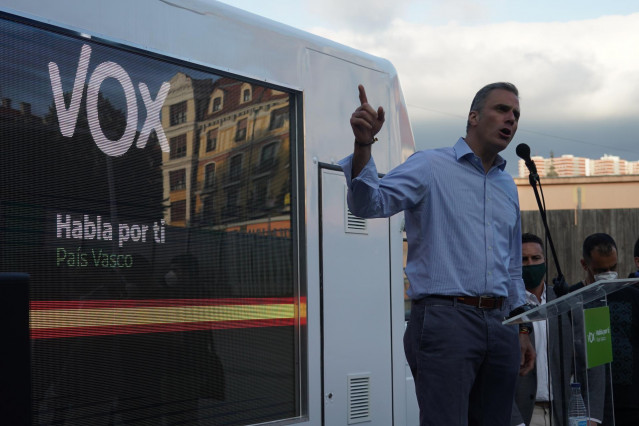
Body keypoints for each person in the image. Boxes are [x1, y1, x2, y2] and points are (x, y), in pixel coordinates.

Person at [339, 82, 535, 426]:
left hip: (501, 323)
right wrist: (363, 144)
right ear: (473, 117)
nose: (511, 119)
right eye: (502, 109)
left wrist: (521, 330)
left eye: (516, 114)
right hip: (447, 319)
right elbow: (369, 204)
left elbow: (512, 269)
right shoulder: (430, 166)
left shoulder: (508, 186)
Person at [511, 233, 603, 426]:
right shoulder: (507, 306)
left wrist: (591, 417)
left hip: (565, 411)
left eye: (536, 258)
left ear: (545, 260)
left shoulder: (565, 301)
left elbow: (592, 360)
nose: (530, 264)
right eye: (523, 260)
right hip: (524, 415)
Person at [570, 233, 639, 426]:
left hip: (630, 402)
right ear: (585, 265)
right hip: (588, 402)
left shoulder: (633, 296)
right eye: (601, 269)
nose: (609, 273)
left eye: (613, 267)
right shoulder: (572, 298)